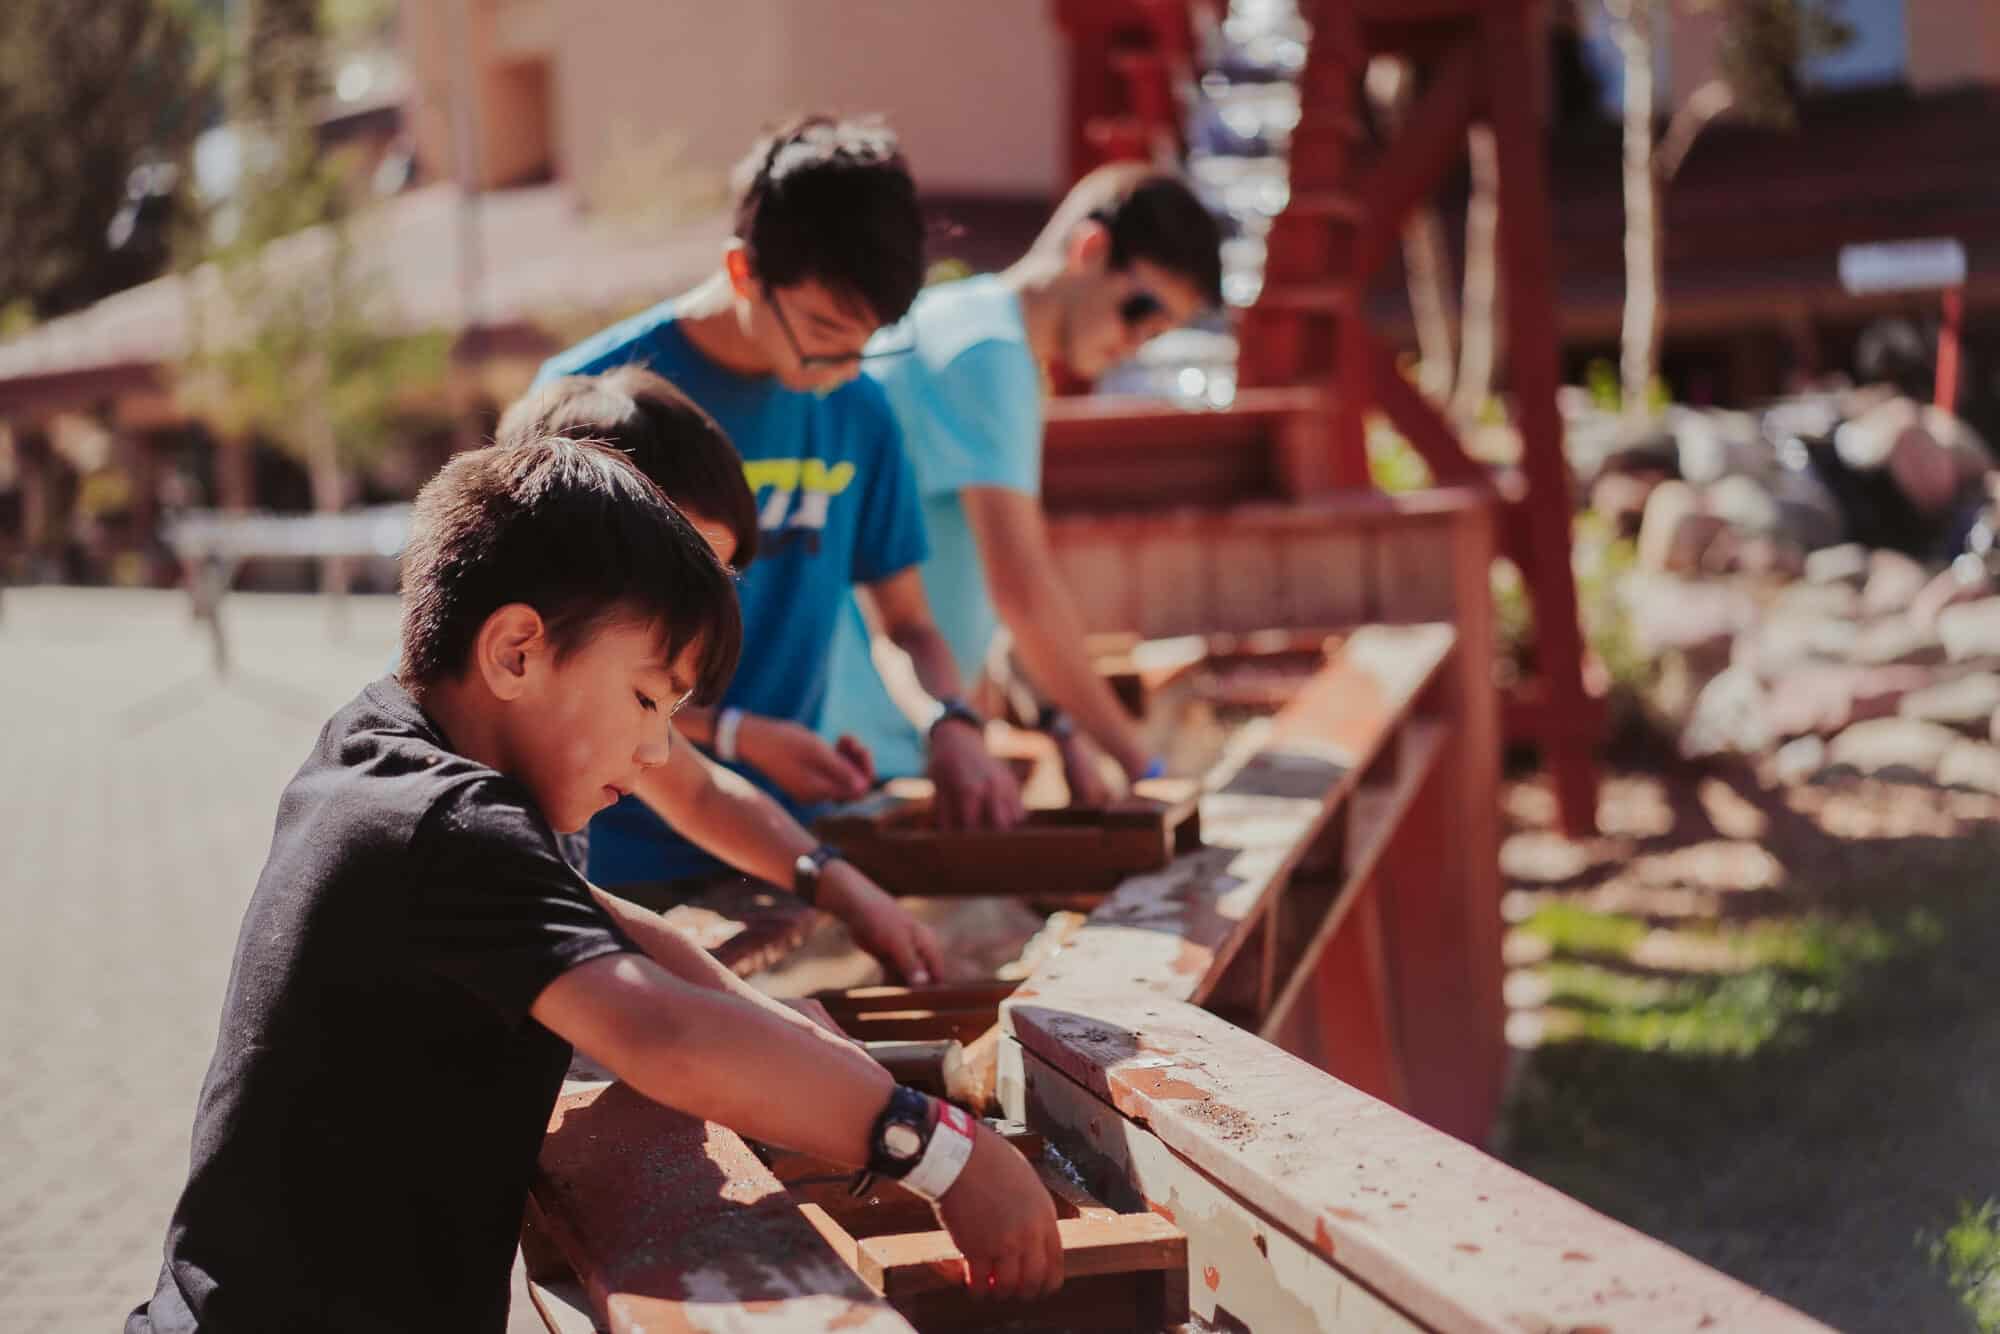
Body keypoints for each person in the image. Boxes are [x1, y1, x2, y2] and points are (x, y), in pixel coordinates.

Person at [126, 434, 1061, 1333]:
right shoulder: (446, 823)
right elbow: (659, 1032)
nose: (657, 749)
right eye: (648, 699)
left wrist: (826, 1066)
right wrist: (936, 1150)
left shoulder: (390, 749)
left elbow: (638, 943)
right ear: (516, 652)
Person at [536, 115, 1024, 894]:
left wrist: (950, 722)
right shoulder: (591, 401)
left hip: (777, 848)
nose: (844, 366)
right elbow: (546, 674)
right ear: (742, 273)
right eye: (827, 331)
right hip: (605, 857)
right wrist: (736, 735)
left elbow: (906, 624)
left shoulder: (859, 407)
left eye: (868, 342)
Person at [496, 368, 943, 984]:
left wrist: (845, 891)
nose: (696, 616)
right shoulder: (465, 811)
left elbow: (698, 792)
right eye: (679, 577)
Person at [819, 165, 1224, 802]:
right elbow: (1022, 591)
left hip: (864, 725)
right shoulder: (990, 355)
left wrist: (1060, 725)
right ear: (1088, 249)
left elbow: (976, 587)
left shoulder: (960, 317)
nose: (1136, 343)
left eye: (1158, 333)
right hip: (862, 746)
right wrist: (1141, 765)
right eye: (1139, 312)